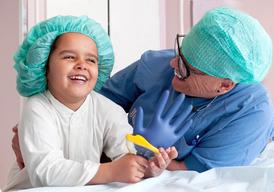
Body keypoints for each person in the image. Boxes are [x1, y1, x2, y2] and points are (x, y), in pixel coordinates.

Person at [11, 7, 274, 174]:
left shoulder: (249, 114)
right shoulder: (156, 65)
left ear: (224, 85)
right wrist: (35, 136)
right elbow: (85, 103)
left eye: (186, 68)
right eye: (179, 51)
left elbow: (192, 172)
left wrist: (146, 153)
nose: (173, 64)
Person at [5, 15, 178, 191]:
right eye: (69, 57)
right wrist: (110, 171)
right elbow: (45, 171)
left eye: (91, 60)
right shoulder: (37, 108)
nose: (82, 65)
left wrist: (145, 166)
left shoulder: (107, 109)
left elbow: (125, 152)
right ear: (45, 67)